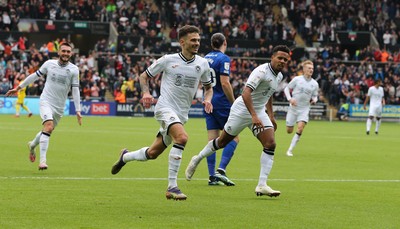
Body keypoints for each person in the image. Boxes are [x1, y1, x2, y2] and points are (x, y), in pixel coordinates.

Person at [110, 25, 213, 201]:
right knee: (182, 138)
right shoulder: (168, 60)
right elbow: (144, 76)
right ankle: (172, 186)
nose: (197, 43)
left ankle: (125, 156)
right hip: (165, 108)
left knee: (152, 153)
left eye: (198, 40)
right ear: (182, 42)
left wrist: (208, 98)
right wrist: (146, 92)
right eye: (193, 40)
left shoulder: (202, 64)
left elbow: (208, 87)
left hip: (181, 114)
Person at [185, 45, 291, 197]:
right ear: (272, 57)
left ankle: (262, 185)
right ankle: (197, 158)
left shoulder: (279, 76)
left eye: (285, 59)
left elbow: (269, 93)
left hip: (259, 110)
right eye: (279, 58)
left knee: (270, 144)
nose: (282, 61)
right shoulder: (261, 71)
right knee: (222, 142)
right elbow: (246, 93)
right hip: (242, 110)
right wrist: (253, 116)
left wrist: (271, 116)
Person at [6, 42, 82, 170]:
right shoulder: (49, 64)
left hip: (59, 107)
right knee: (48, 126)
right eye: (63, 51)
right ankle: (42, 161)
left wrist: (78, 110)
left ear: (71, 53)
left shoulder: (74, 70)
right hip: (46, 100)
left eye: (68, 52)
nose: (65, 54)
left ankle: (31, 146)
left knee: (48, 130)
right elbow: (34, 77)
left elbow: (75, 90)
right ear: (58, 52)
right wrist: (19, 87)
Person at [203, 33, 238, 186]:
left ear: (212, 44)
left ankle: (212, 176)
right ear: (225, 42)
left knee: (212, 139)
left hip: (208, 101)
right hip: (222, 103)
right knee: (233, 137)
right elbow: (225, 83)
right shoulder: (223, 58)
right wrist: (234, 102)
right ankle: (221, 170)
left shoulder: (205, 58)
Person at [283, 60, 319, 157]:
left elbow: (315, 96)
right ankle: (291, 123)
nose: (311, 70)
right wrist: (290, 99)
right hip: (293, 108)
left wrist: (314, 100)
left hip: (304, 109)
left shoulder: (315, 84)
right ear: (304, 69)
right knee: (289, 131)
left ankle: (290, 150)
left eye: (312, 68)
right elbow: (286, 88)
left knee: (300, 128)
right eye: (309, 68)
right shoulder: (297, 79)